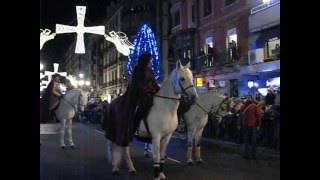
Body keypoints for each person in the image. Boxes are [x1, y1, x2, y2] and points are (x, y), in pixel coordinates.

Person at [103, 52, 160, 147]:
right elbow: (137, 84)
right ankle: (135, 127)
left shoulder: (150, 70)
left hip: (149, 94)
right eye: (150, 60)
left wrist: (159, 91)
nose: (151, 62)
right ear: (146, 60)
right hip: (139, 95)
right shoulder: (138, 70)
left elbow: (154, 83)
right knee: (141, 108)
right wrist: (147, 91)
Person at [237, 95, 261, 160]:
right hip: (247, 125)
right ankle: (248, 155)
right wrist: (239, 124)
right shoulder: (245, 106)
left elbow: (258, 116)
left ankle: (253, 155)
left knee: (252, 141)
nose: (247, 99)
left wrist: (258, 125)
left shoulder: (253, 106)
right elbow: (240, 116)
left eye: (248, 98)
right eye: (246, 98)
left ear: (251, 98)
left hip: (251, 125)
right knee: (247, 141)